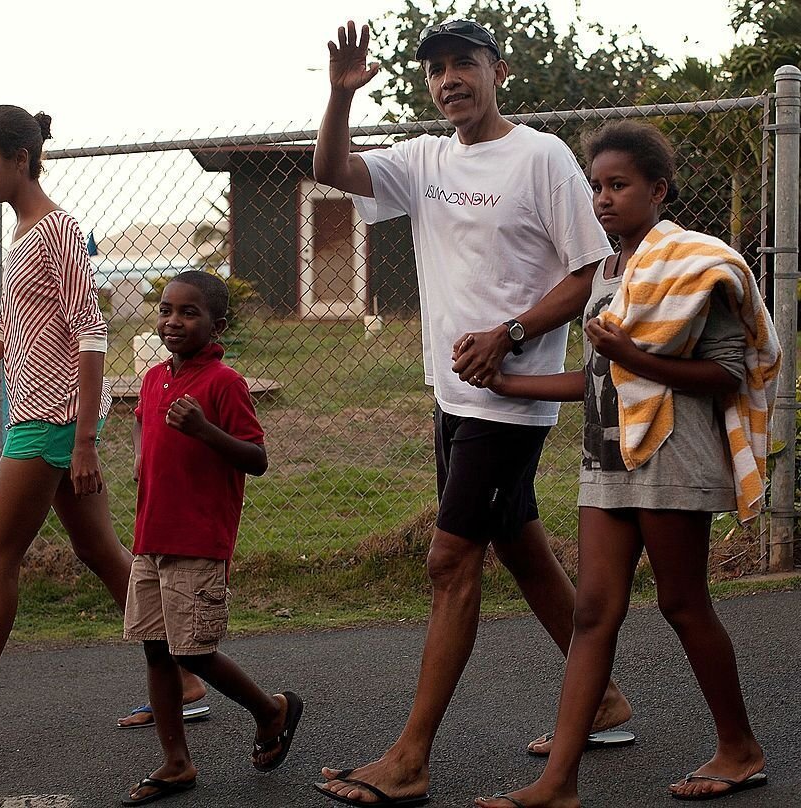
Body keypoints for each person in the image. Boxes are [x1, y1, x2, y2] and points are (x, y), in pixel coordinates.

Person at [312, 19, 633, 806]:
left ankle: (411, 757)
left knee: (450, 561)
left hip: (511, 401)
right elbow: (330, 168)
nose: (449, 79)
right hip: (453, 394)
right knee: (518, 544)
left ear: (499, 71)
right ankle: (606, 701)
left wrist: (514, 333)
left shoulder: (541, 158)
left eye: (464, 65)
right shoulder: (424, 159)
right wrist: (338, 97)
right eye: (437, 70)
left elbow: (593, 269)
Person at [473, 121, 779, 808]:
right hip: (606, 455)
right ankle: (559, 783)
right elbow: (596, 377)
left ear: (658, 190)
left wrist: (632, 357)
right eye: (596, 187)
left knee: (681, 601)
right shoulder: (605, 274)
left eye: (619, 186)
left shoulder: (694, 266)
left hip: (673, 452)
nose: (603, 199)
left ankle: (740, 748)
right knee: (591, 612)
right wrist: (510, 384)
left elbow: (726, 372)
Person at [0, 104, 206, 761]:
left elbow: (91, 331)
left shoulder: (56, 230)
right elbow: (3, 333)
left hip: (51, 422)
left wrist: (84, 438)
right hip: (40, 416)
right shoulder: (26, 236)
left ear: (20, 160)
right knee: (104, 555)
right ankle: (188, 679)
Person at [121, 270, 303, 805]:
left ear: (217, 324)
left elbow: (257, 458)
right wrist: (138, 450)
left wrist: (204, 430)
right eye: (166, 309)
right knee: (156, 651)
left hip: (198, 539)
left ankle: (271, 710)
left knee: (194, 653)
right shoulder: (156, 378)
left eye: (189, 312)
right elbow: (140, 420)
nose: (173, 321)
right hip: (151, 536)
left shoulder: (224, 384)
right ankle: (176, 762)